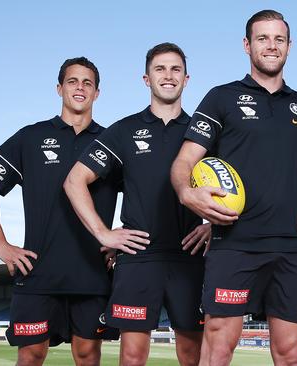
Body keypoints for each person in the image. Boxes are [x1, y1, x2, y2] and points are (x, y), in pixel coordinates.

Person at [170, 10, 297, 366]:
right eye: (263, 39)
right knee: (218, 350)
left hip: (290, 248)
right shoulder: (221, 98)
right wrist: (188, 194)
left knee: (289, 355)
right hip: (234, 246)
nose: (271, 46)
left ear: (289, 46)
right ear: (247, 45)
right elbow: (184, 163)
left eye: (279, 39)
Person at [64, 43, 210, 366]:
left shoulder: (203, 130)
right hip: (138, 258)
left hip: (190, 258)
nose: (168, 76)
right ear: (146, 79)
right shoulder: (125, 131)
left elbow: (235, 184)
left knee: (192, 354)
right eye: (160, 69)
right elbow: (74, 181)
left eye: (175, 70)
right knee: (132, 356)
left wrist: (215, 226)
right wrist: (103, 234)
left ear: (187, 79)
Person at [0, 57, 120, 366]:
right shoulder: (31, 137)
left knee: (87, 357)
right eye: (72, 81)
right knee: (30, 357)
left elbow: (144, 192)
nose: (80, 87)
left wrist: (118, 239)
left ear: (97, 93)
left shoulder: (112, 141)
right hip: (38, 273)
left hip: (92, 275)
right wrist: (1, 245)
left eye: (87, 83)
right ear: (59, 89)